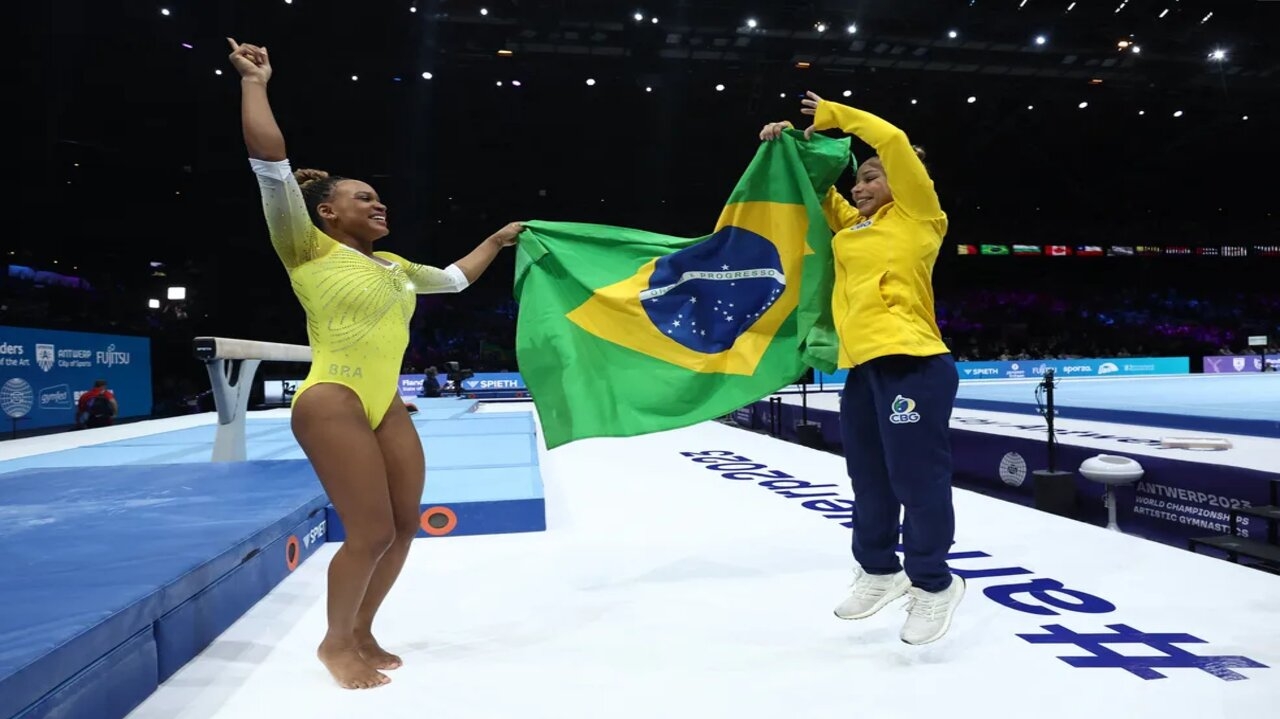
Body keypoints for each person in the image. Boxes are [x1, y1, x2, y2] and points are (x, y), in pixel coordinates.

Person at [227, 38, 523, 689]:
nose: (377, 203)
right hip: (331, 398)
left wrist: (497, 241)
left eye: (378, 197)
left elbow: (452, 279)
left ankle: (362, 627)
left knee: (403, 526)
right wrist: (255, 83)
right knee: (368, 529)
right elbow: (270, 164)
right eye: (362, 198)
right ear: (327, 211)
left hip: (385, 402)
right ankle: (335, 643)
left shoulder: (395, 267)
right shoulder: (303, 245)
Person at [760, 91, 963, 645]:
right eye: (860, 180)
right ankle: (879, 571)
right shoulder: (853, 228)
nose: (861, 185)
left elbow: (893, 142)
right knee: (869, 482)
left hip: (915, 364)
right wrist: (792, 143)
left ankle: (934, 584)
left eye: (873, 177)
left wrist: (832, 117)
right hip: (863, 369)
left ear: (906, 179)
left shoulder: (922, 215)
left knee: (915, 481)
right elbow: (815, 187)